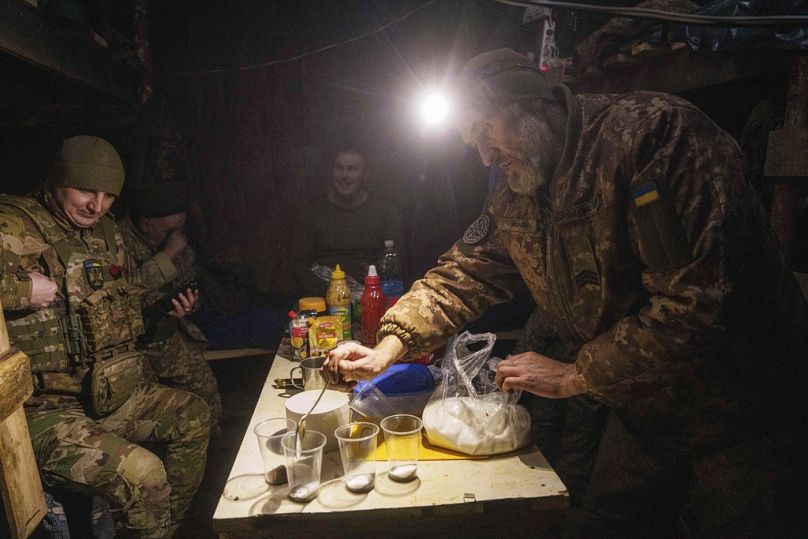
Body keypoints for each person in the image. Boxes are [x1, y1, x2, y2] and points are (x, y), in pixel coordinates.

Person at [326, 49, 808, 536]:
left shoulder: (652, 137)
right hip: (644, 404)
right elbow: (465, 272)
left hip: (745, 405)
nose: (485, 157)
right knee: (604, 525)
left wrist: (576, 374)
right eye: (471, 143)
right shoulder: (519, 185)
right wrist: (386, 348)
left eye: (486, 132)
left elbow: (702, 301)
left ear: (528, 105)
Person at [0, 136, 210, 537]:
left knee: (193, 415)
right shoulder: (11, 224)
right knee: (144, 475)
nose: (97, 206)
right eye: (85, 191)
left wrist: (168, 313)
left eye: (108, 195)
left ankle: (163, 528)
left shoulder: (106, 233)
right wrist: (23, 291)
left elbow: (130, 303)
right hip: (47, 412)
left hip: (110, 395)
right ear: (56, 182)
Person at [117, 182, 222, 436]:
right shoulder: (116, 242)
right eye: (170, 231)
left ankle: (212, 450)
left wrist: (188, 305)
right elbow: (123, 293)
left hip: (165, 335)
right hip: (128, 343)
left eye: (180, 230)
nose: (178, 237)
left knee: (207, 393)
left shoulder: (178, 241)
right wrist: (167, 254)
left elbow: (190, 282)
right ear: (145, 225)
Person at [289, 145, 405, 296]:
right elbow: (298, 264)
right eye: (339, 168)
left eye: (352, 169)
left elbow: (398, 259)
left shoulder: (385, 211)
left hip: (370, 294)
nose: (344, 175)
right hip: (322, 294)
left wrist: (376, 272)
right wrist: (333, 294)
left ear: (365, 174)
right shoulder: (312, 211)